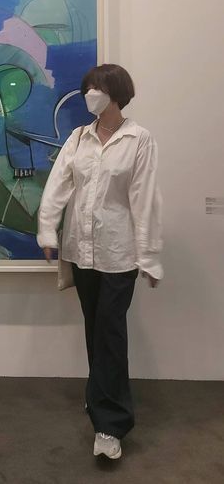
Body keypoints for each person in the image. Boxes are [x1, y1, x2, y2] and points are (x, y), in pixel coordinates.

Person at [37, 64, 163, 460]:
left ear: (117, 92)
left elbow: (144, 199)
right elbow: (58, 186)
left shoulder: (138, 139)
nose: (90, 93)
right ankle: (99, 395)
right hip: (82, 250)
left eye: (98, 87)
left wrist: (149, 256)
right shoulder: (79, 138)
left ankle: (110, 425)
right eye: (88, 87)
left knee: (110, 332)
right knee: (95, 328)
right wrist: (47, 231)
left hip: (118, 253)